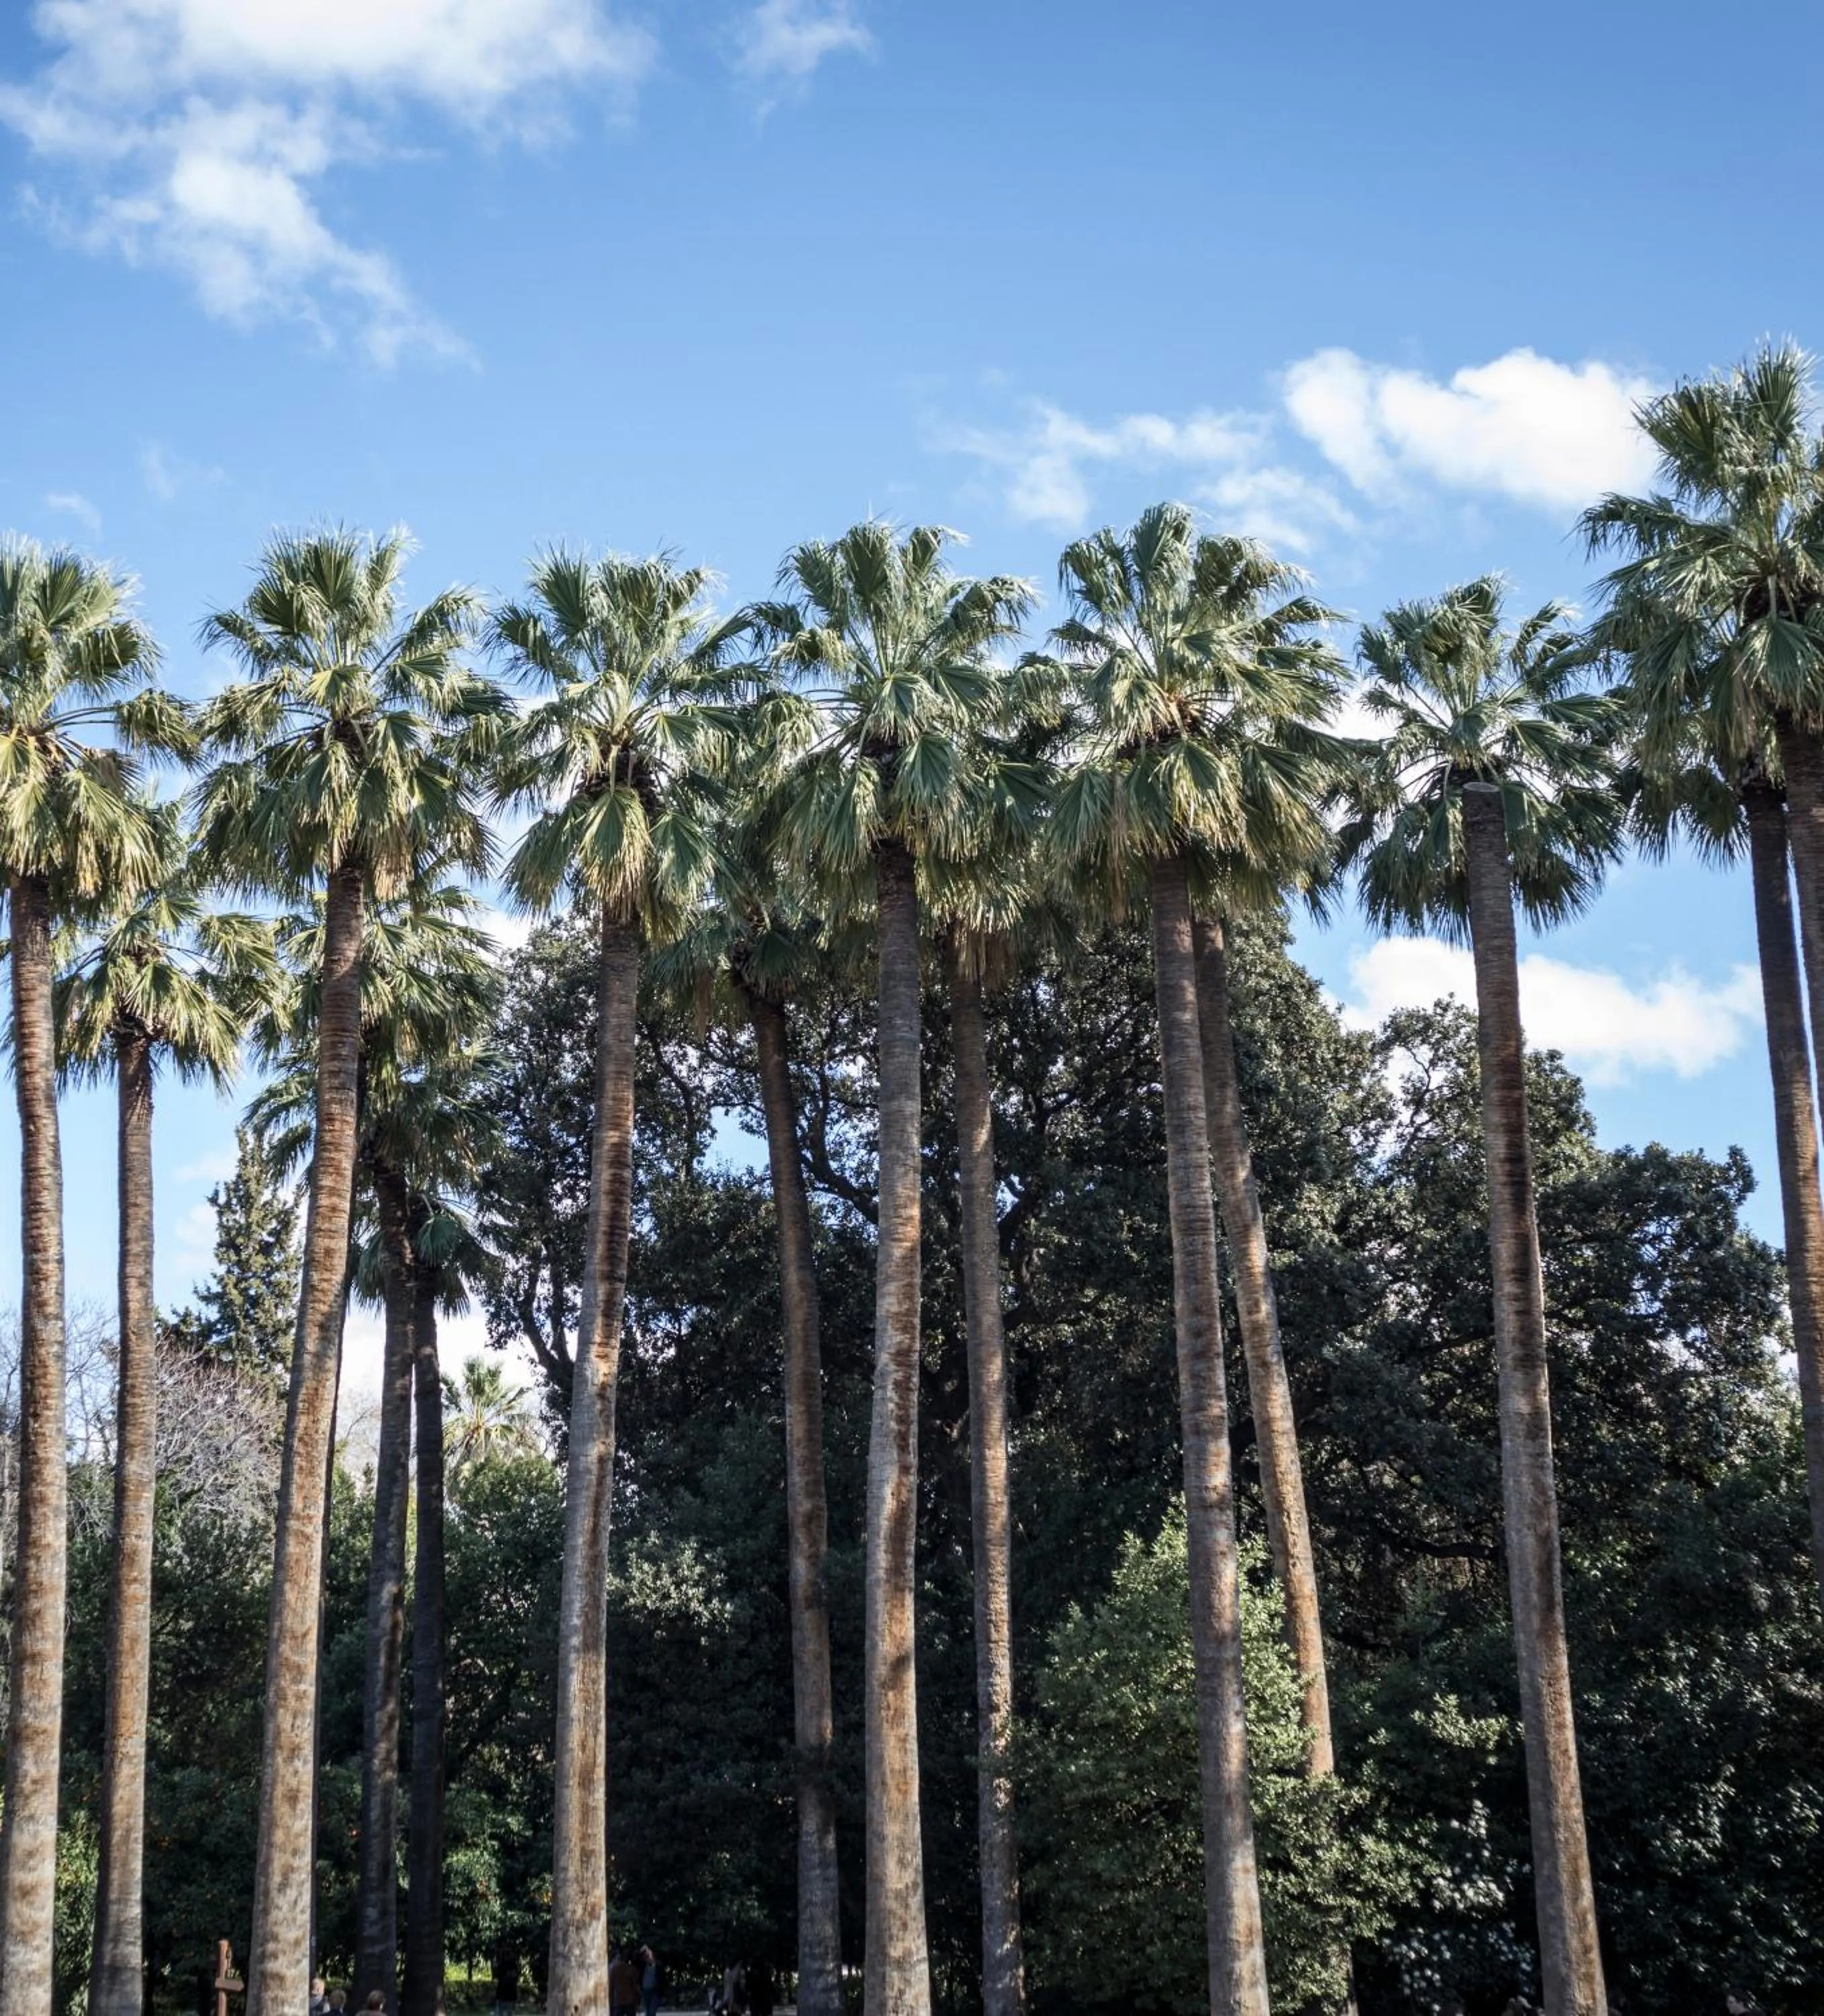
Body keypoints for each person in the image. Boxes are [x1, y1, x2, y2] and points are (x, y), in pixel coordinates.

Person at [609, 1945, 641, 2016]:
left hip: (618, 2000)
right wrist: (637, 2000)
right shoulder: (632, 1970)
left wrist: (611, 2000)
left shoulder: (615, 1969)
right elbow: (635, 1987)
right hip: (629, 2000)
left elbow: (611, 1986)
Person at [640, 1946, 660, 2016]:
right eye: (645, 1957)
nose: (647, 1958)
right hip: (645, 1991)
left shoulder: (658, 1966)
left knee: (652, 2012)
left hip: (654, 1991)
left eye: (648, 1956)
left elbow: (661, 1979)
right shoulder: (643, 1966)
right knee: (647, 2012)